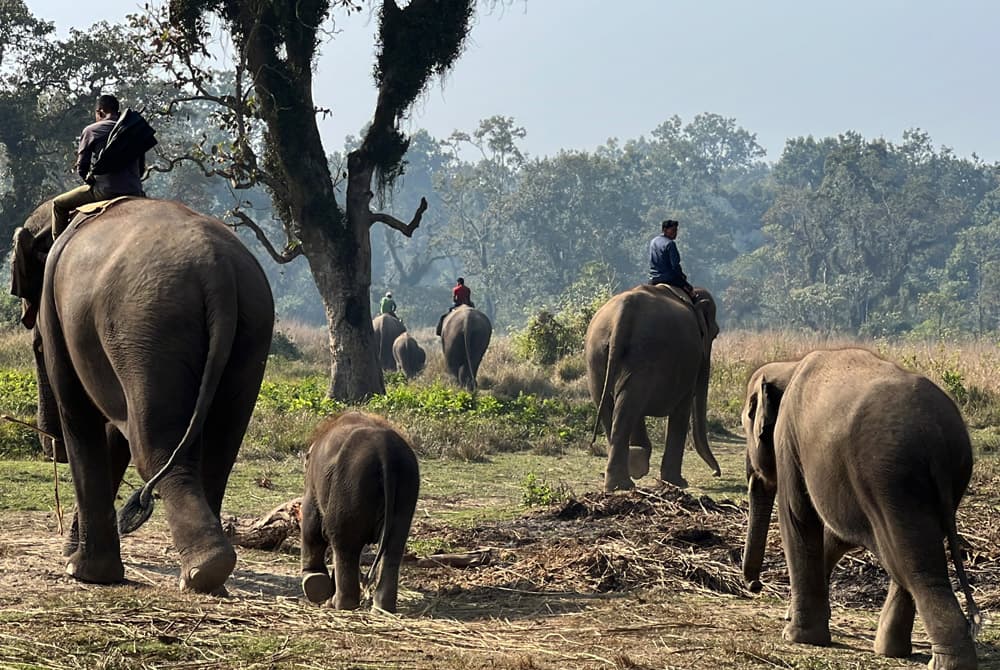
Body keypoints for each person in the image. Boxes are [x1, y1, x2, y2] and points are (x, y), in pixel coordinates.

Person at [50, 94, 147, 238]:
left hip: (105, 191)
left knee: (58, 204)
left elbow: (82, 168)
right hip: (135, 190)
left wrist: (91, 180)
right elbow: (140, 170)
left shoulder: (91, 130)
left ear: (100, 112)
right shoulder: (133, 130)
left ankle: (56, 250)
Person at [648, 219, 696, 301]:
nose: (675, 233)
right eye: (673, 230)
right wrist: (682, 277)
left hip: (653, 278)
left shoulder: (653, 241)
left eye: (676, 231)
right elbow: (675, 265)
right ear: (664, 230)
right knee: (692, 293)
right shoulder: (670, 244)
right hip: (668, 278)